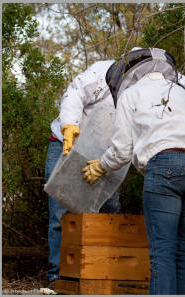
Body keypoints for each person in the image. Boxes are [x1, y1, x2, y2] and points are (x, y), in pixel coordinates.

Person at [82, 48, 185, 295]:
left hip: (164, 169)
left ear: (128, 71)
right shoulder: (180, 91)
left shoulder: (131, 94)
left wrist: (101, 166)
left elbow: (122, 150)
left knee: (163, 252)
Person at [45, 58, 123, 287]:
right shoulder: (103, 71)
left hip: (103, 155)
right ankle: (58, 279)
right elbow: (75, 92)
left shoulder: (142, 91)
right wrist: (69, 125)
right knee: (61, 212)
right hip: (66, 143)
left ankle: (104, 274)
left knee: (109, 208)